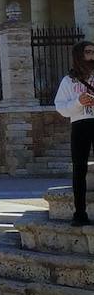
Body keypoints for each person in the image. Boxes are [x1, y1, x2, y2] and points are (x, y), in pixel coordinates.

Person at [55, 41, 94, 227]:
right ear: (79, 55)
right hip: (80, 125)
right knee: (79, 168)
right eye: (88, 52)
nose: (92, 55)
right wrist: (79, 102)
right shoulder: (68, 81)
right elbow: (61, 108)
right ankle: (79, 213)